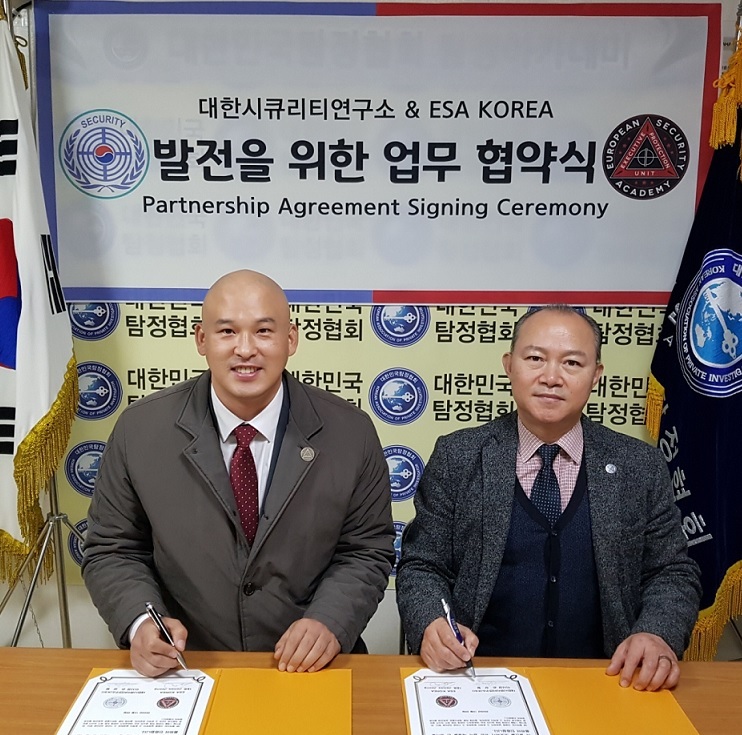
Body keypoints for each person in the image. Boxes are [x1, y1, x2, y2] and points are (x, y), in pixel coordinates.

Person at [82, 270, 395, 676]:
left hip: (313, 667)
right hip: (188, 666)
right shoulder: (140, 430)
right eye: (227, 331)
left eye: (263, 331)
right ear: (201, 339)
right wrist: (142, 621)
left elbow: (367, 550)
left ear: (291, 339)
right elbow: (113, 549)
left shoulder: (350, 432)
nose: (245, 350)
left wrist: (330, 621)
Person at [396, 305, 701, 691]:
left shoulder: (638, 465)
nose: (551, 377)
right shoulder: (458, 456)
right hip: (478, 680)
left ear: (596, 375)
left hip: (608, 681)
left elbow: (671, 571)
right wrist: (431, 622)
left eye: (572, 363)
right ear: (509, 366)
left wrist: (657, 633)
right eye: (535, 359)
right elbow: (423, 565)